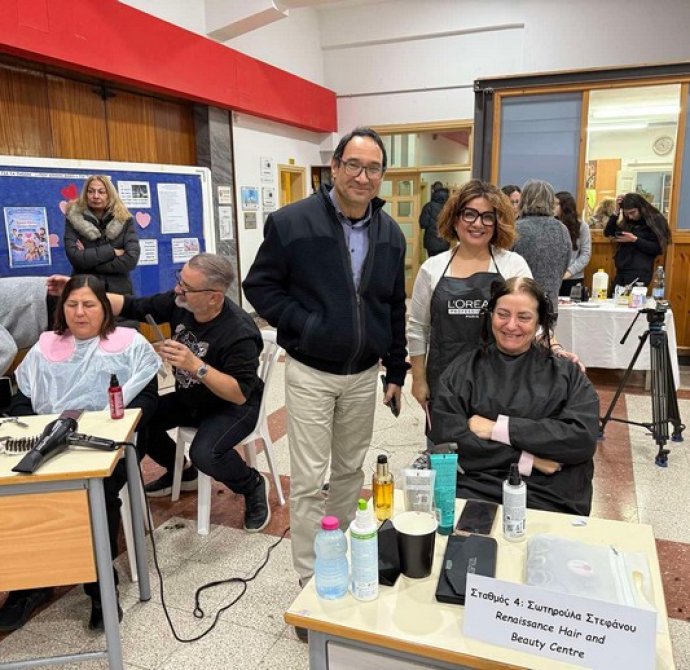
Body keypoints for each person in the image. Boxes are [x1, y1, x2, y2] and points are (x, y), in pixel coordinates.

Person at [242, 127, 408, 589]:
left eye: (373, 168)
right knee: (310, 480)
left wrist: (397, 368)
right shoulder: (291, 222)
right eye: (353, 164)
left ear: (381, 176)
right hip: (311, 371)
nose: (362, 176)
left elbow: (394, 305)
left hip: (362, 374)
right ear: (334, 167)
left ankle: (342, 555)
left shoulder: (390, 234)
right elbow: (259, 286)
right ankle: (310, 576)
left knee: (350, 472)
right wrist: (306, 324)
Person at [51, 253, 270, 533]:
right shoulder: (180, 302)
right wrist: (81, 293)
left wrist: (196, 366)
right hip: (191, 398)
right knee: (139, 419)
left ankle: (252, 484)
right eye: (180, 280)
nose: (178, 289)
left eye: (187, 288)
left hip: (232, 406)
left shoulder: (239, 332)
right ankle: (183, 472)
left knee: (206, 453)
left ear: (214, 297)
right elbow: (132, 305)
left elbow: (238, 393)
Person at [0, 275, 160, 633]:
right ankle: (31, 583)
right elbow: (23, 398)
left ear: (105, 308)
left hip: (112, 443)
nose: (79, 312)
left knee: (97, 493)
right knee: (22, 491)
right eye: (71, 305)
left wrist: (113, 425)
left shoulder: (130, 344)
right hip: (52, 441)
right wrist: (37, 427)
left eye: (89, 304)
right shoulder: (45, 347)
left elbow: (148, 399)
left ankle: (101, 587)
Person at [430, 277, 599, 516]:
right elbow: (450, 437)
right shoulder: (463, 370)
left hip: (551, 495)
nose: (511, 325)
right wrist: (527, 459)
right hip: (478, 487)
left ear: (539, 321)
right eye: (503, 314)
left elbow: (580, 439)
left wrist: (496, 428)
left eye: (524, 317)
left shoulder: (566, 374)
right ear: (490, 316)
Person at [408, 179, 532, 414]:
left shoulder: (513, 265)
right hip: (444, 380)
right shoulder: (432, 268)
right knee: (445, 439)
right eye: (469, 214)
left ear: (497, 223)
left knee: (493, 436)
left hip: (501, 382)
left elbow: (532, 320)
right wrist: (418, 379)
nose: (478, 223)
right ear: (455, 219)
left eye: (487, 217)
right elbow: (417, 329)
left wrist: (555, 347)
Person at [64, 175, 140, 295]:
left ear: (110, 194)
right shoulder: (73, 219)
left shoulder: (124, 219)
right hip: (85, 290)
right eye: (91, 191)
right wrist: (112, 252)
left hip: (119, 292)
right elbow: (76, 259)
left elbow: (131, 260)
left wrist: (88, 261)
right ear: (85, 194)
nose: (95, 196)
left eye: (101, 192)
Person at [513, 179, 571, 319]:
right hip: (550, 304)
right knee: (546, 333)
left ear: (524, 200)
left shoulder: (516, 229)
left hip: (519, 304)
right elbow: (565, 263)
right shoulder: (562, 229)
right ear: (551, 201)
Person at [604, 192, 671, 289]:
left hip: (640, 272)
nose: (630, 216)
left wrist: (635, 240)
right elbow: (608, 232)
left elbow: (658, 248)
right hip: (622, 270)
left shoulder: (656, 220)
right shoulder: (628, 221)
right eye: (626, 213)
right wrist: (616, 211)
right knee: (613, 296)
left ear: (641, 208)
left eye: (632, 212)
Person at [555, 191, 592, 297]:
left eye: (556, 204)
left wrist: (570, 272)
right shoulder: (551, 225)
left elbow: (585, 254)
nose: (552, 207)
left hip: (573, 277)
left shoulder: (582, 226)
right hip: (553, 277)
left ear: (565, 207)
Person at [419, 180, 450, 256]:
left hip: (431, 242)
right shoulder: (448, 207)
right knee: (444, 261)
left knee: (432, 261)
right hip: (445, 240)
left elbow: (423, 224)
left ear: (433, 192)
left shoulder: (428, 206)